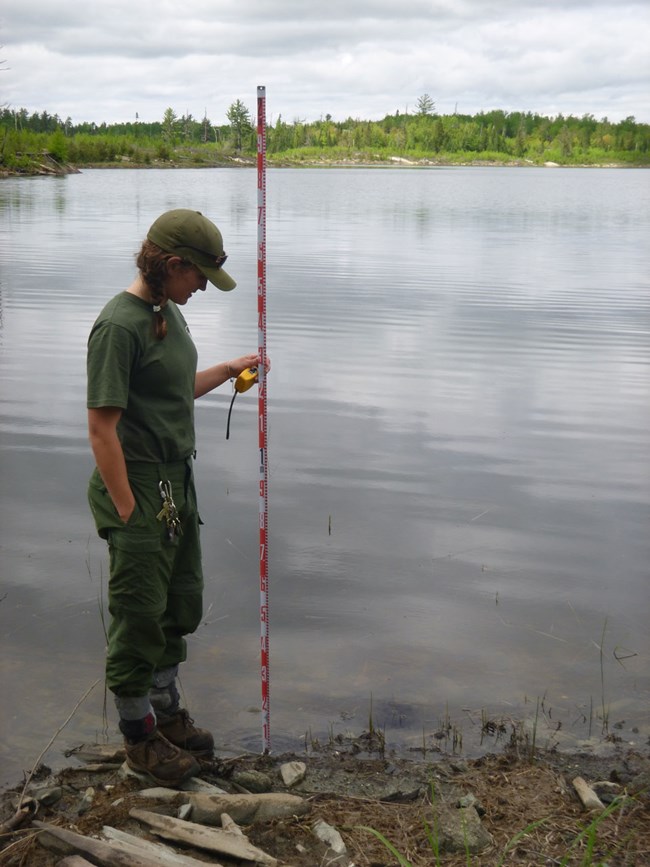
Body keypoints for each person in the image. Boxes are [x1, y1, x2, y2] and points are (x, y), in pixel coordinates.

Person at [86, 208, 269, 787]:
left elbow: (174, 390)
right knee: (139, 613)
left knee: (178, 602)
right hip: (137, 483)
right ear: (170, 265)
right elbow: (102, 427)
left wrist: (226, 368)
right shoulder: (120, 325)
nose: (201, 292)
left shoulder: (168, 312)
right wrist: (125, 508)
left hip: (175, 482)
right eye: (198, 279)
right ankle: (139, 739)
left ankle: (167, 715)